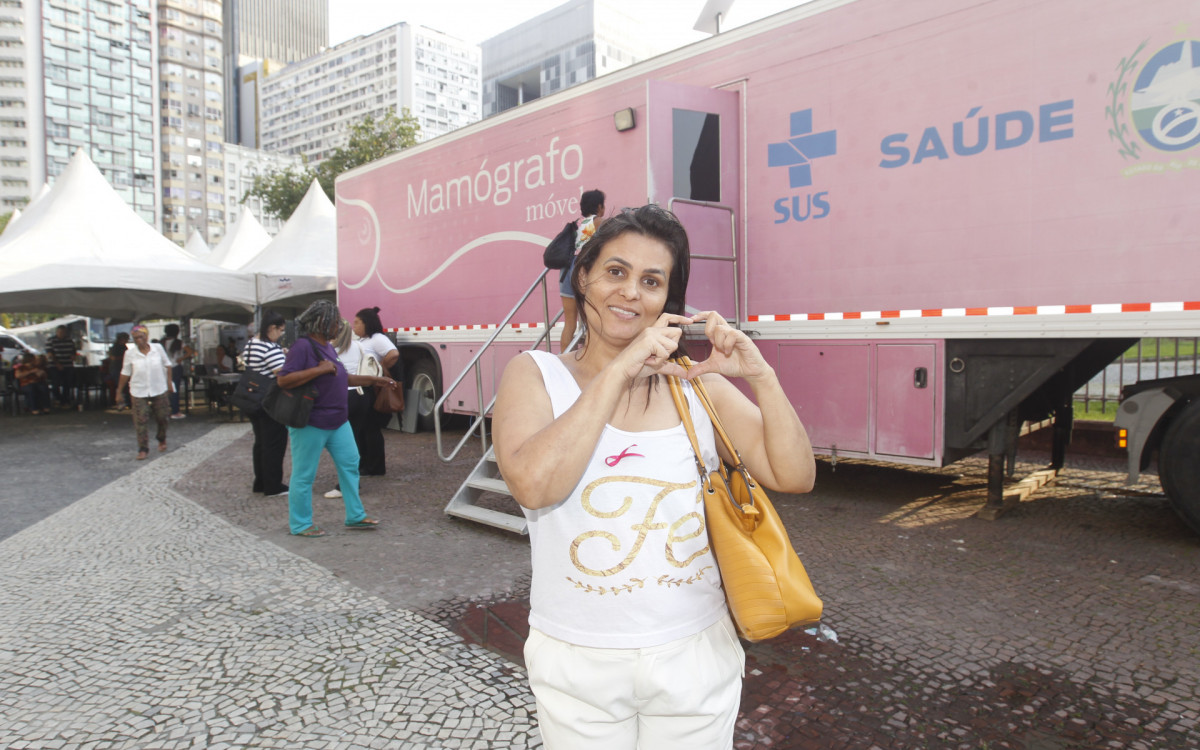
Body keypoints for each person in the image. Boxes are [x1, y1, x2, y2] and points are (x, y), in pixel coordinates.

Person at [493, 205, 816, 749]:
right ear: (584, 277)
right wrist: (621, 368)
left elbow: (795, 474)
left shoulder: (694, 385)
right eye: (615, 272)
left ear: (668, 300)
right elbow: (534, 485)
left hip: (694, 652)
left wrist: (763, 376)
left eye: (651, 281)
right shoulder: (535, 374)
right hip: (579, 657)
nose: (630, 293)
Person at [276, 300, 397, 537]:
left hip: (338, 420)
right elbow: (283, 380)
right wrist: (319, 370)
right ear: (321, 323)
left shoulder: (328, 347)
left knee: (351, 464)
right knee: (304, 474)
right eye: (335, 322)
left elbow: (342, 378)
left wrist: (375, 380)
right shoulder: (303, 347)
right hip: (311, 421)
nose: (340, 327)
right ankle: (300, 524)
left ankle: (355, 515)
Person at [323, 320, 373, 500]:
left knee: (342, 444)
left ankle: (346, 484)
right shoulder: (359, 346)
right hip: (361, 395)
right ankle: (353, 479)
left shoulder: (330, 350)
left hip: (342, 397)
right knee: (355, 439)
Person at [242, 311, 289, 497]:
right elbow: (282, 373)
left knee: (260, 442)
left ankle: (260, 481)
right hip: (270, 401)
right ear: (272, 328)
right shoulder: (270, 348)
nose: (282, 334)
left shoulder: (251, 344)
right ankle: (273, 485)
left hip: (252, 398)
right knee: (274, 443)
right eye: (281, 330)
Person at [351, 306, 399, 476]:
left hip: (372, 387)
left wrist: (381, 367)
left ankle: (375, 466)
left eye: (357, 322)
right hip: (362, 386)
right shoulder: (363, 340)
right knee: (363, 428)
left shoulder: (377, 338)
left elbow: (393, 353)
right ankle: (365, 463)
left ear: (367, 323)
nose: (354, 326)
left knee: (371, 428)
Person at [116, 325, 174, 460]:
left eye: (141, 337)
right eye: (135, 338)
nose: (139, 340)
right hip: (139, 390)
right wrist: (119, 391)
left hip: (158, 388)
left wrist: (169, 382)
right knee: (140, 419)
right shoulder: (130, 353)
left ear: (146, 337)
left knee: (162, 416)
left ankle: (161, 438)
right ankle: (143, 448)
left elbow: (168, 365)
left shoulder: (157, 349)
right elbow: (125, 373)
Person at [559, 189, 606, 353]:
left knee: (570, 323)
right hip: (584, 270)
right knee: (592, 320)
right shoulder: (599, 222)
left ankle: (562, 361)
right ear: (600, 206)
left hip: (567, 271)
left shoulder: (576, 223)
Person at [161, 323, 196, 419]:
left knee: (164, 389)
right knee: (175, 389)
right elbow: (190, 351)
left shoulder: (161, 342)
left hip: (163, 368)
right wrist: (181, 358)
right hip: (175, 367)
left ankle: (163, 410)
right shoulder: (179, 342)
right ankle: (175, 411)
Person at [45, 324, 78, 408]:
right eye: (60, 332)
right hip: (54, 365)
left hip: (67, 364)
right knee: (55, 384)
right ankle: (59, 399)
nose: (61, 334)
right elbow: (50, 354)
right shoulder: (51, 340)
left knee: (67, 384)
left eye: (63, 332)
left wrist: (73, 356)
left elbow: (73, 351)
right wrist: (57, 364)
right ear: (57, 332)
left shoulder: (69, 340)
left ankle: (65, 401)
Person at [104, 332, 131, 410]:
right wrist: (123, 358)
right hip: (116, 369)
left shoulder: (124, 347)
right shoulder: (115, 347)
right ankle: (121, 402)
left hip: (122, 368)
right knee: (120, 386)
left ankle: (126, 402)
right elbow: (113, 358)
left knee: (125, 386)